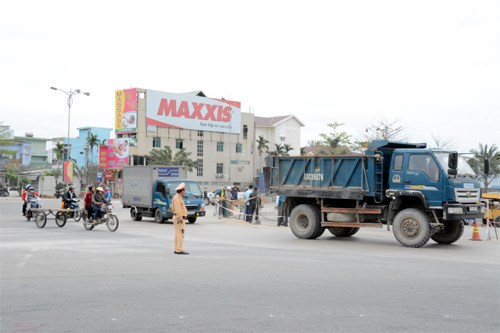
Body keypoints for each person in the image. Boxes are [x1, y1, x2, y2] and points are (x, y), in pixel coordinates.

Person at [172, 182, 189, 255]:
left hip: (178, 218)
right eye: (184, 190)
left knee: (177, 234)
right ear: (181, 190)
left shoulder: (177, 197)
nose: (184, 192)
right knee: (180, 234)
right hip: (179, 218)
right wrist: (180, 218)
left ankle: (177, 248)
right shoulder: (177, 198)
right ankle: (179, 249)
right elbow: (178, 209)